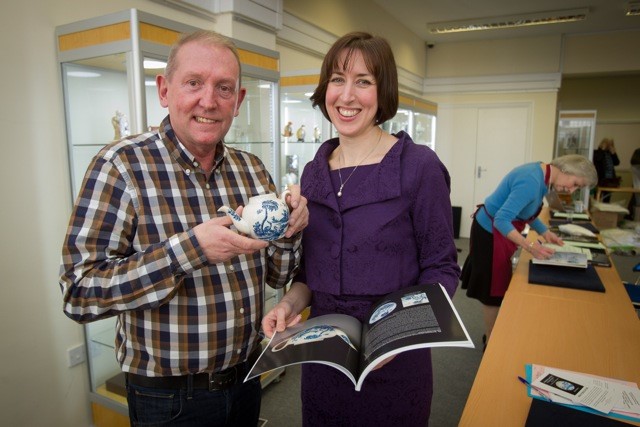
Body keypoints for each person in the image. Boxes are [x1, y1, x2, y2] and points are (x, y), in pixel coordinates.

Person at [59, 30, 308, 426]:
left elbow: (278, 275)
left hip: (246, 379)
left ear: (239, 101)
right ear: (164, 90)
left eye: (224, 88)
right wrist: (189, 251)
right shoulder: (120, 167)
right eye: (194, 83)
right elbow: (78, 293)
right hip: (169, 398)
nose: (208, 101)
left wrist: (290, 230)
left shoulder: (252, 170)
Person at [261, 32, 460, 426]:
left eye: (363, 81)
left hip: (395, 364)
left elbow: (442, 269)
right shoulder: (314, 173)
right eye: (337, 79)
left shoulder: (418, 167)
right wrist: (287, 306)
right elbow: (308, 274)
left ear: (382, 92)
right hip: (324, 362)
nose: (347, 96)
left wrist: (400, 334)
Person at [460, 155, 597, 348]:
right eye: (575, 183)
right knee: (492, 291)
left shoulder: (542, 175)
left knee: (498, 286)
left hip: (496, 229)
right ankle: (491, 342)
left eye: (578, 188)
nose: (572, 190)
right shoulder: (531, 181)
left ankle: (491, 334)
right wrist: (530, 246)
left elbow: (527, 212)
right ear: (566, 170)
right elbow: (501, 220)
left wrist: (545, 232)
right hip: (489, 232)